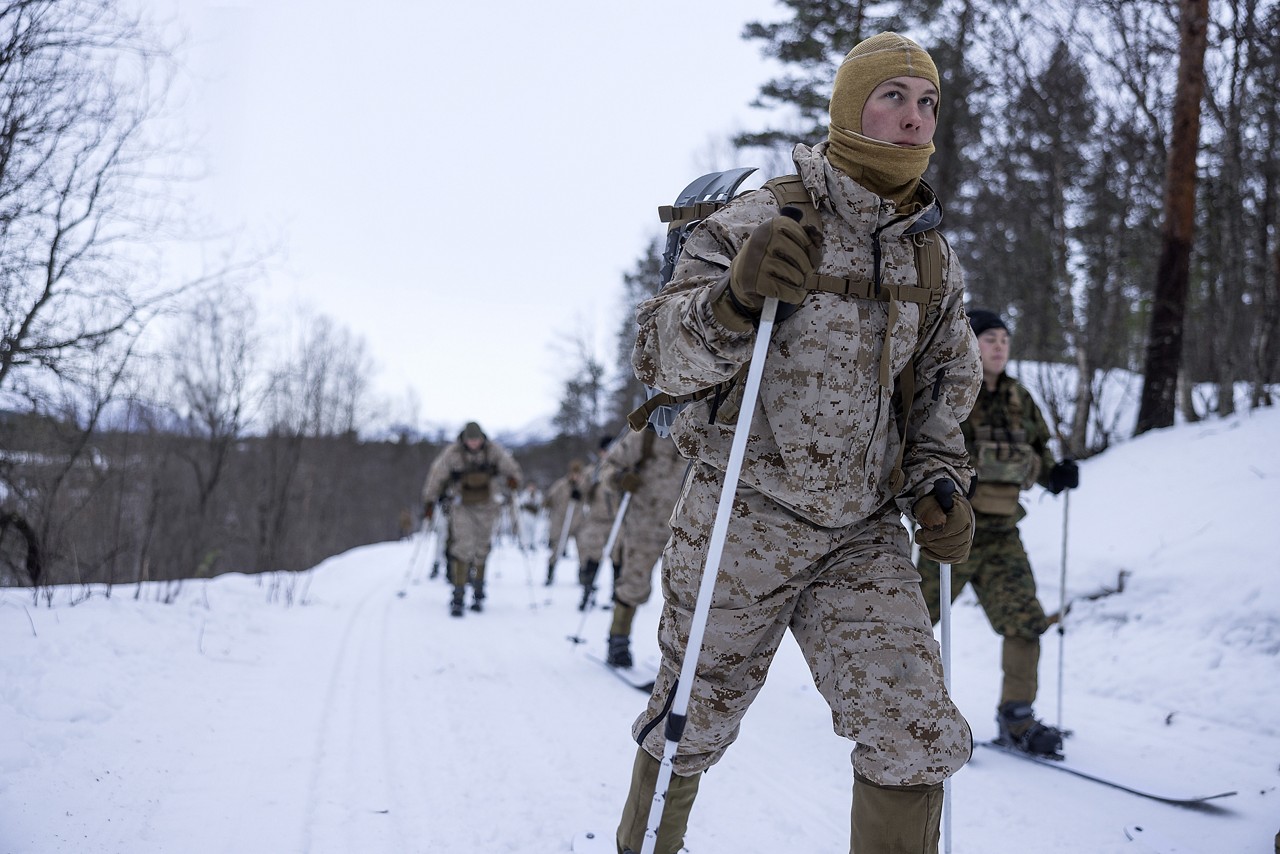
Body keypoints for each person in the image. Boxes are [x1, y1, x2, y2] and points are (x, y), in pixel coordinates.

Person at [615, 32, 981, 854]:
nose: (914, 118)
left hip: (861, 532)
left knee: (914, 730)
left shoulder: (930, 249)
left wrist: (939, 480)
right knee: (689, 721)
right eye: (893, 97)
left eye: (928, 103)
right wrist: (733, 298)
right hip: (743, 516)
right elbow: (658, 359)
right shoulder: (763, 217)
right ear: (851, 107)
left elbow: (945, 384)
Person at [917, 309, 1080, 758]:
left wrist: (1056, 474)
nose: (999, 346)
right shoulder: (950, 390)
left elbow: (1039, 451)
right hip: (952, 533)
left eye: (1005, 339)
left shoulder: (1019, 398)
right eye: (990, 338)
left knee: (1026, 624)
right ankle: (902, 715)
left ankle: (1018, 720)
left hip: (1004, 534)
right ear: (970, 342)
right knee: (911, 624)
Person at [599, 426, 688, 668]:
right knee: (633, 585)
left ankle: (683, 658)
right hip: (644, 526)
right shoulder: (648, 433)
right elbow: (608, 468)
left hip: (688, 529)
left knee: (689, 595)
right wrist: (619, 479)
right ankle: (618, 641)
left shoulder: (708, 427)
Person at [420, 421, 522, 617]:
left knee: (482, 547)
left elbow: (511, 468)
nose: (474, 443)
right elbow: (437, 475)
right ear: (465, 439)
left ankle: (478, 590)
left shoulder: (493, 451)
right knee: (463, 546)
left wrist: (513, 479)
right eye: (470, 440)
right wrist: (429, 500)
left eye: (477, 440)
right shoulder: (453, 454)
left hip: (487, 505)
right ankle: (458, 594)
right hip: (461, 505)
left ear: (482, 438)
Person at [543, 460, 586, 585]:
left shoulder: (583, 486)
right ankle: (550, 574)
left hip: (578, 522)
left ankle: (583, 578)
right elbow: (549, 498)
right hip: (561, 522)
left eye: (578, 474)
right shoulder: (561, 485)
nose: (576, 477)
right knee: (557, 549)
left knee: (583, 551)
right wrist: (548, 502)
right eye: (574, 473)